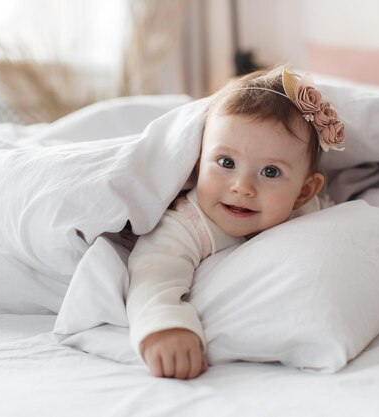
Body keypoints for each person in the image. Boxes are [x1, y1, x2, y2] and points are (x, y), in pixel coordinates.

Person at [126, 65, 345, 380]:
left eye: (270, 171)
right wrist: (165, 326)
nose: (242, 187)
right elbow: (153, 273)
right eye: (226, 162)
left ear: (304, 192)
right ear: (198, 162)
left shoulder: (308, 212)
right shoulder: (188, 223)